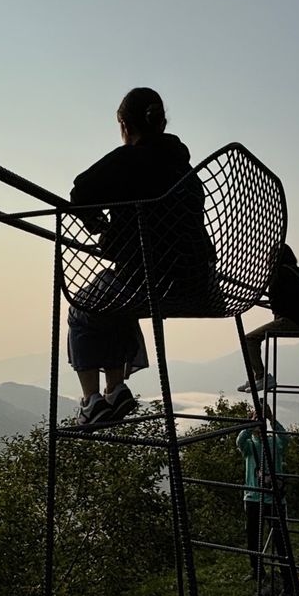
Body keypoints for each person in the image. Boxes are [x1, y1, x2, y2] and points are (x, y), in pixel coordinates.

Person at [67, 88, 214, 427]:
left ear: (124, 124)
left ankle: (91, 401)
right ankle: (115, 390)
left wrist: (97, 225)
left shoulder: (130, 159)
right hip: (198, 281)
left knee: (82, 308)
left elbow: (80, 191)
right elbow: (161, 225)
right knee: (118, 301)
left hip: (152, 280)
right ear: (161, 122)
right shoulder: (187, 172)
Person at [237, 243, 299, 393]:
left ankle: (261, 377)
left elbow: (277, 304)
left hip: (294, 321)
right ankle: (256, 376)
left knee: (249, 339)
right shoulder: (297, 273)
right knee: (253, 337)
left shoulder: (279, 274)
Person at [237, 404, 294, 596]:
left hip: (272, 498)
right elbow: (239, 440)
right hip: (254, 497)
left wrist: (271, 419)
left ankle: (288, 583)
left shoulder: (274, 442)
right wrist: (251, 423)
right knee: (253, 537)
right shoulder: (249, 444)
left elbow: (286, 438)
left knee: (280, 542)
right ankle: (257, 570)